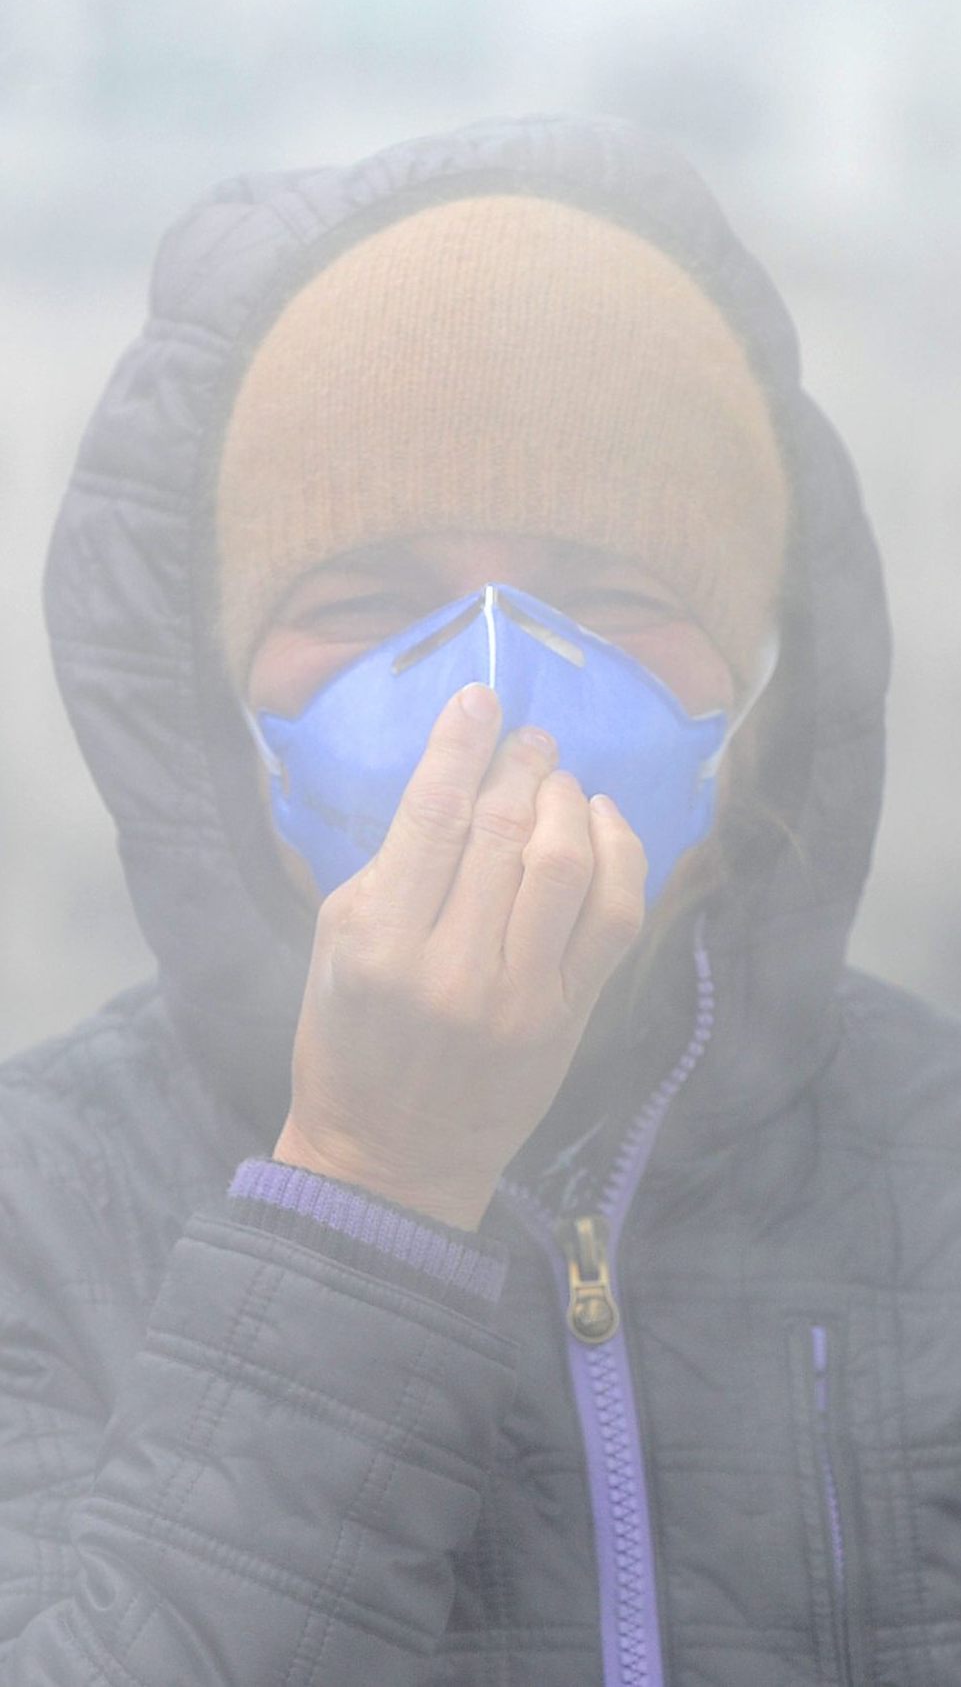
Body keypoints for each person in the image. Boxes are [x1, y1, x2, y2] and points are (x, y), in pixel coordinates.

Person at [2, 113, 959, 1687]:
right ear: (221, 694)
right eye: (371, 602)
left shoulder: (930, 1160)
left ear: (751, 695)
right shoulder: (36, 1201)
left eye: (605, 597)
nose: (493, 688)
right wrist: (369, 1183)